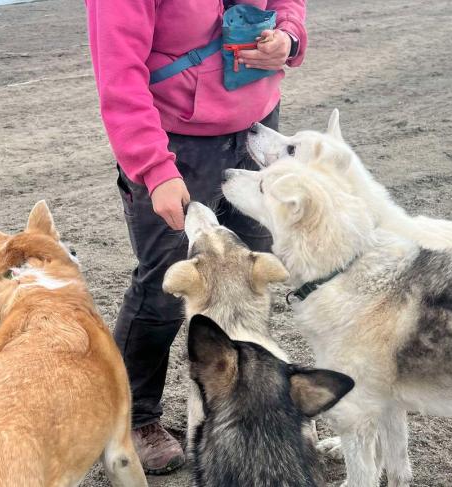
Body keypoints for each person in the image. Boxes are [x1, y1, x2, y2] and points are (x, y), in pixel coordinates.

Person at [85, 0, 308, 475]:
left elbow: (286, 5)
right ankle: (134, 419)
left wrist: (289, 36)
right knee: (163, 288)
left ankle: (247, 401)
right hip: (175, 142)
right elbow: (119, 73)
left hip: (256, 127)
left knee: (248, 279)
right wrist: (154, 168)